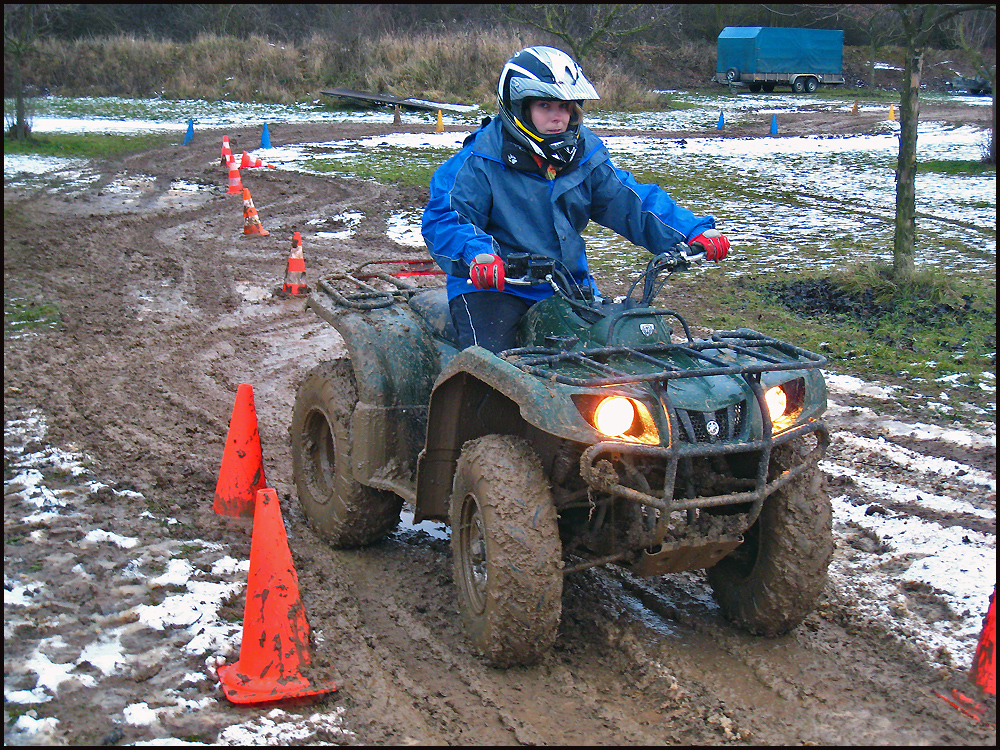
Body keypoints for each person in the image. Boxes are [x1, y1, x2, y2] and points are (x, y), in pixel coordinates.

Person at [421, 45, 730, 353]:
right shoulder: (479, 161)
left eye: (565, 107)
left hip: (567, 285)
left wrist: (692, 231)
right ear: (519, 108)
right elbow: (446, 218)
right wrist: (477, 254)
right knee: (491, 370)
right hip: (496, 288)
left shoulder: (583, 157)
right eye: (545, 105)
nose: (558, 118)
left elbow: (631, 202)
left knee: (618, 355)